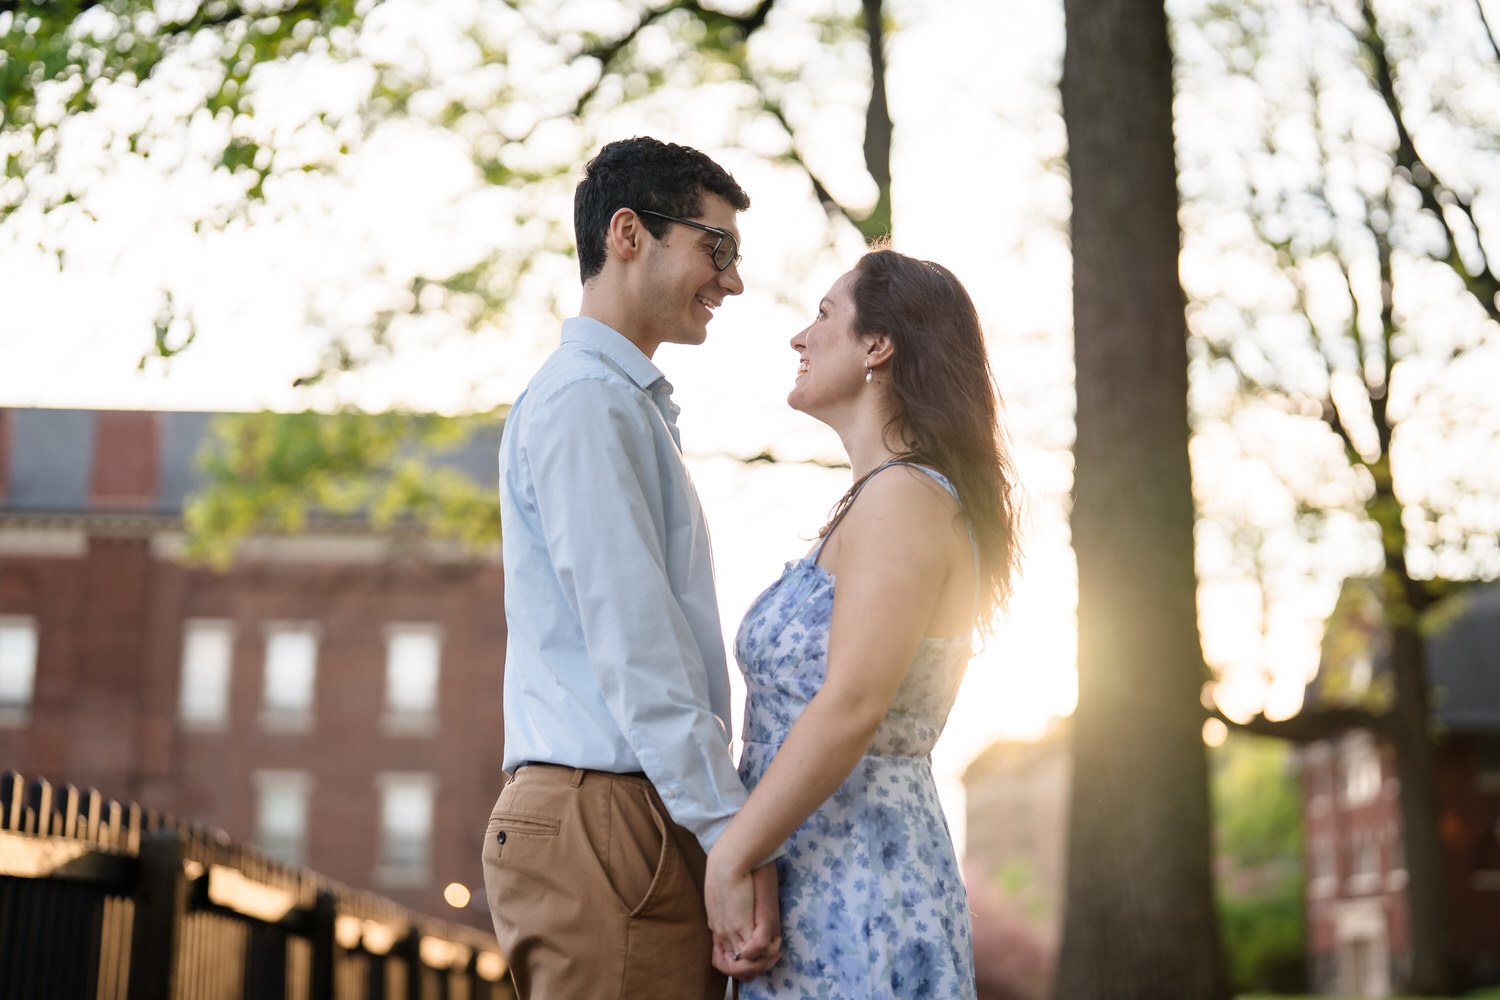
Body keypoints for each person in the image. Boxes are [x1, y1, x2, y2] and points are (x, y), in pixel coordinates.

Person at [482, 137, 781, 999]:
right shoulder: (587, 401)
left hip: (622, 813)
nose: (732, 280)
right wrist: (729, 835)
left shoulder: (613, 401)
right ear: (627, 234)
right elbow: (637, 643)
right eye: (716, 247)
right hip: (606, 815)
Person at [703, 243, 1021, 998]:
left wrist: (731, 856)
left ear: (878, 345)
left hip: (859, 884)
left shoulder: (906, 496)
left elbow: (851, 703)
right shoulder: (881, 499)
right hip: (812, 872)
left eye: (823, 315)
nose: (800, 336)